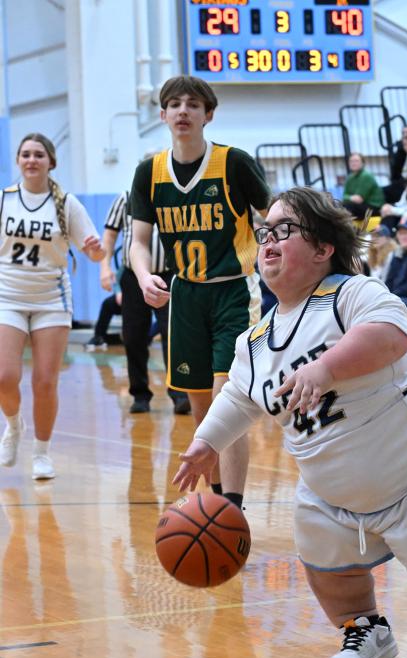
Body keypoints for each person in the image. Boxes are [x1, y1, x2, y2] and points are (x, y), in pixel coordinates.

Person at [172, 186, 407, 658]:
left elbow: (389, 334)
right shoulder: (254, 342)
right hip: (332, 494)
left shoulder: (350, 294)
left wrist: (326, 368)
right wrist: (206, 442)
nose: (269, 241)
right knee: (328, 570)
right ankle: (366, 629)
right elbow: (239, 397)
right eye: (264, 233)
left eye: (285, 230)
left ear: (323, 249)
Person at [130, 75, 271, 508]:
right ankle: (214, 506)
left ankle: (233, 506)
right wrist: (142, 276)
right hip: (184, 296)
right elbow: (137, 241)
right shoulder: (149, 172)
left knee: (228, 399)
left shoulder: (234, 163)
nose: (183, 111)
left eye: (193, 104)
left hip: (233, 291)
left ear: (208, 114)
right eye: (174, 104)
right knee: (202, 409)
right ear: (162, 114)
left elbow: (273, 218)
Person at [0, 132, 105, 479]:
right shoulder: (4, 200)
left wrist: (95, 248)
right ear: (18, 161)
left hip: (51, 300)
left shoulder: (65, 204)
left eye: (38, 155)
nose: (31, 160)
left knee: (45, 382)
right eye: (26, 154)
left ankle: (42, 453)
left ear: (51, 162)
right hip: (7, 297)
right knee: (5, 377)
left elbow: (95, 253)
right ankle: (14, 426)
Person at [100, 188, 190, 414]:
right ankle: (140, 394)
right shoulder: (125, 197)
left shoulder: (175, 194)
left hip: (170, 274)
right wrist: (104, 267)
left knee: (175, 335)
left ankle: (179, 394)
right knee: (133, 336)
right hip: (133, 277)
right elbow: (110, 235)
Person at [341, 152, 384, 220]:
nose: (353, 163)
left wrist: (348, 197)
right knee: (339, 206)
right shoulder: (350, 178)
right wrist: (351, 198)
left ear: (363, 163)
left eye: (356, 161)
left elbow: (359, 199)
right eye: (351, 161)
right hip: (359, 207)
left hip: (373, 208)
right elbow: (344, 196)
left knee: (348, 207)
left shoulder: (366, 176)